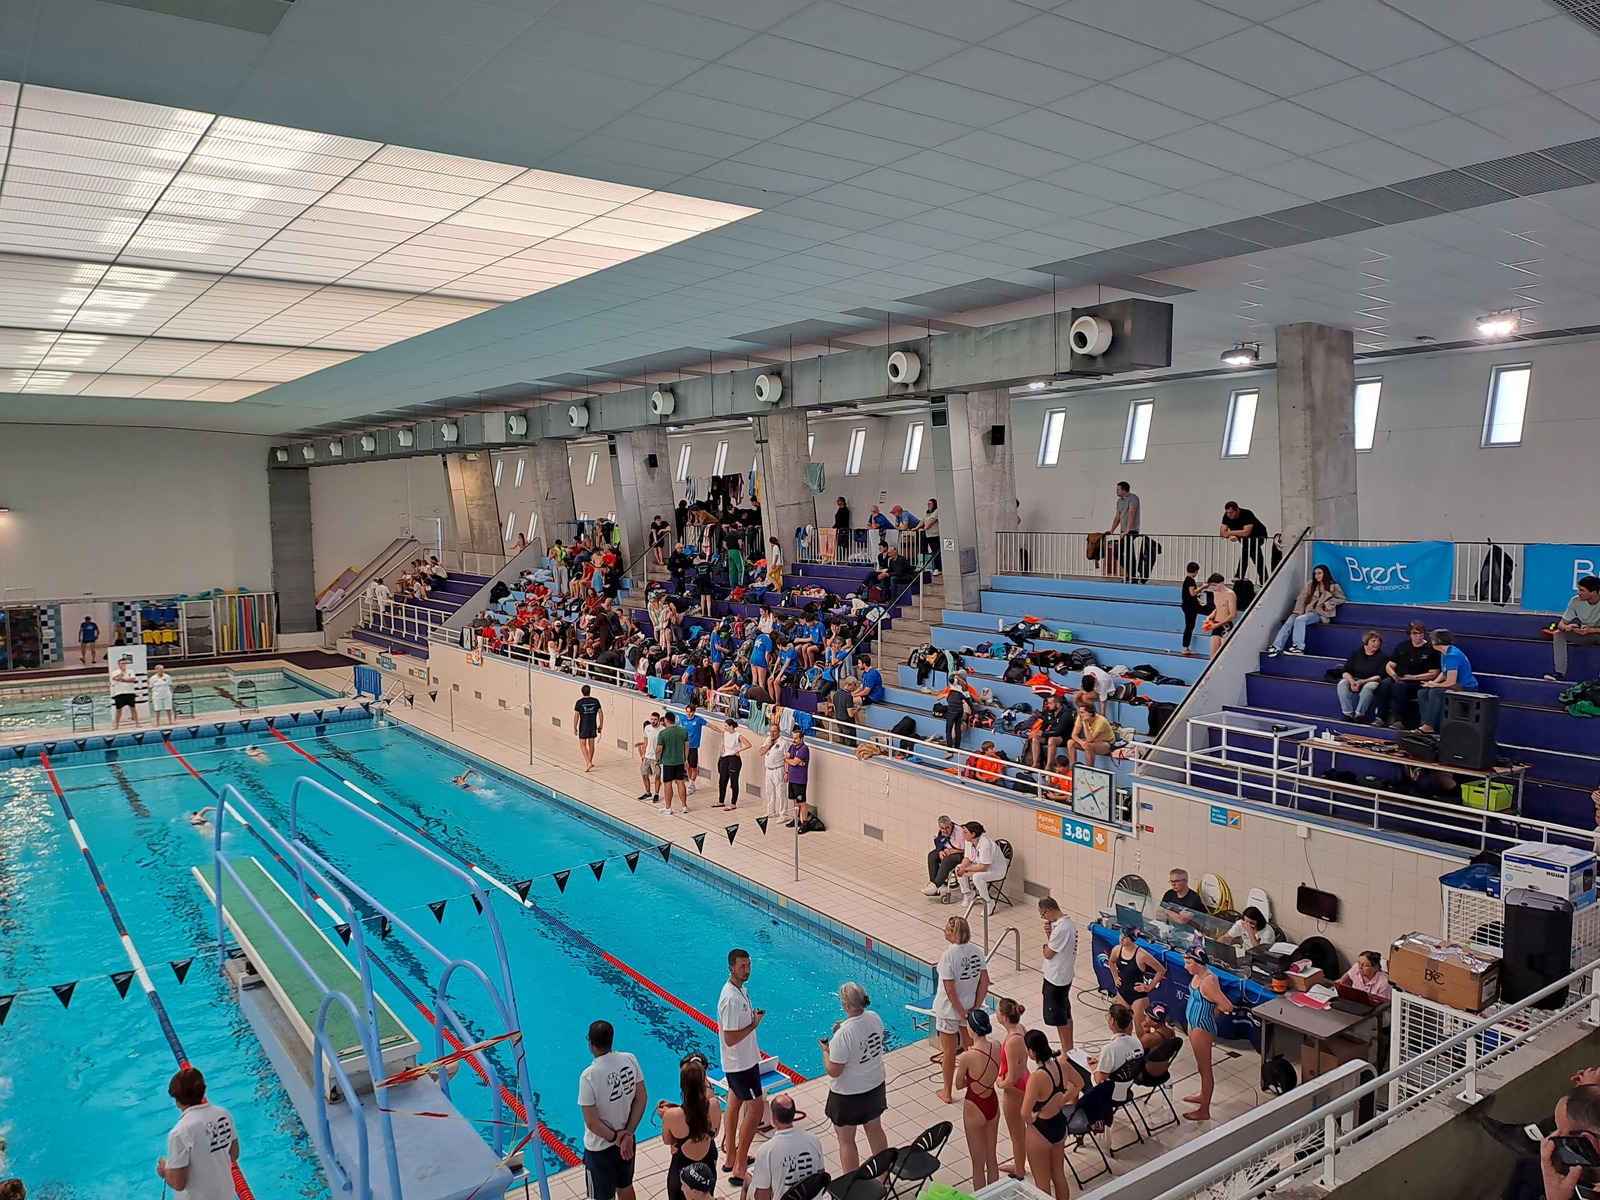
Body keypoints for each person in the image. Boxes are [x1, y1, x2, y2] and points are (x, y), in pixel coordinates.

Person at [822, 981, 889, 1172]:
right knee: (875, 1131)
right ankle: (883, 1178)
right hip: (875, 1085)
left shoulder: (843, 1034)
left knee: (846, 1141)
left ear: (846, 1005)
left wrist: (825, 1051)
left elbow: (834, 1070)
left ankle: (851, 1184)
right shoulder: (874, 1018)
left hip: (848, 1095)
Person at [579, 1020, 646, 1200]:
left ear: (591, 1044)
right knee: (625, 1187)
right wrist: (628, 1135)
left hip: (600, 1149)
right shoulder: (630, 1059)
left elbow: (592, 1122)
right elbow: (641, 1098)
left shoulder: (589, 1076)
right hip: (628, 1143)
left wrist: (616, 1138)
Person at [718, 949, 765, 1186]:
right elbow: (730, 1038)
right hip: (741, 1065)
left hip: (740, 1061)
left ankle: (731, 1158)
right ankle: (739, 1168)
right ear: (731, 968)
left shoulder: (740, 990)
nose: (747, 970)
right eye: (742, 967)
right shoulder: (731, 999)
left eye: (748, 965)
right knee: (756, 1109)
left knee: (734, 1103)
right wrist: (754, 1024)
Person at [156, 1066, 238, 1200]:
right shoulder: (223, 1115)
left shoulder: (180, 1132)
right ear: (203, 1091)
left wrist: (165, 1170)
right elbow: (234, 1154)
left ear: (177, 1100)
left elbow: (179, 1183)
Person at [934, 915, 991, 1104]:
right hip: (970, 1007)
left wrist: (961, 1012)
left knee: (949, 1052)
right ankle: (976, 1085)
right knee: (971, 1049)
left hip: (950, 1011)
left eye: (946, 929)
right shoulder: (976, 951)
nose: (944, 931)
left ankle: (947, 1092)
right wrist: (975, 1008)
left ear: (954, 933)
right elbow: (984, 982)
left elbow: (950, 990)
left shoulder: (948, 956)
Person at [1021, 1029, 1077, 1200]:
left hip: (1040, 1130)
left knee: (1042, 1183)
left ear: (1032, 1052)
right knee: (1059, 1175)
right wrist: (1062, 1100)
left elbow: (1024, 1113)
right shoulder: (1063, 1065)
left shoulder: (1037, 1078)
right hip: (1059, 1125)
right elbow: (1080, 1083)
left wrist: (1032, 1119)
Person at [1182, 948, 1234, 1122]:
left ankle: (1204, 1110)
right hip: (1194, 1025)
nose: (1185, 966)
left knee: (1205, 1070)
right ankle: (1202, 1096)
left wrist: (1216, 1010)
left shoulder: (1208, 981)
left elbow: (1227, 1006)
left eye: (1189, 963)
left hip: (1202, 1029)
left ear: (1198, 963)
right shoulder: (1199, 975)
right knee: (1200, 1067)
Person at [954, 1009, 1003, 1190]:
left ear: (972, 1030)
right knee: (992, 1159)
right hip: (992, 1102)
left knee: (977, 1165)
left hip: (975, 1105)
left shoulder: (967, 1056)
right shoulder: (997, 1045)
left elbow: (959, 1084)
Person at [660, 1056, 719, 1200]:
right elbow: (714, 1133)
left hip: (682, 1171)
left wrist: (668, 1114)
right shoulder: (714, 1105)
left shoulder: (671, 1115)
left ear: (682, 1085)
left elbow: (668, 1140)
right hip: (707, 1166)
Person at [747, 1095, 824, 1200]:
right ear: (793, 1115)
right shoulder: (814, 1140)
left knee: (747, 1178)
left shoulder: (767, 1151)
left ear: (773, 1117)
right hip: (811, 1197)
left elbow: (762, 1197)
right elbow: (821, 1176)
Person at [1373, 620, 1441, 730]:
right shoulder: (1402, 646)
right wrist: (1394, 675)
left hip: (1418, 680)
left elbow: (1434, 673)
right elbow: (1390, 665)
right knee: (1384, 684)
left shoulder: (1430, 650)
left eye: (1420, 633)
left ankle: (1399, 720)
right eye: (1415, 634)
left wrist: (1414, 677)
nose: (1418, 636)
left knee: (1399, 687)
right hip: (1399, 677)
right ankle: (1380, 717)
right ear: (1409, 634)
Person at [1268, 564, 1345, 657]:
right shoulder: (1311, 584)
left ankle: (1299, 647)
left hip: (1320, 613)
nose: (1317, 576)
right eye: (1315, 573)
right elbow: (1301, 598)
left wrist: (1328, 604)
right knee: (1289, 622)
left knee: (1300, 620)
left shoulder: (1334, 586)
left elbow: (1341, 598)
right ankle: (1276, 646)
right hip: (1306, 610)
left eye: (1319, 573)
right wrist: (1299, 611)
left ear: (1325, 574)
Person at [995, 998, 1031, 1181]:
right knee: (1020, 1131)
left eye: (997, 1011)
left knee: (1016, 1133)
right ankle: (1019, 1163)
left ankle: (1020, 1170)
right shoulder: (1021, 1029)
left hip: (1015, 1088)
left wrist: (1000, 1083)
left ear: (1004, 1017)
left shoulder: (1011, 1042)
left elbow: (1012, 1077)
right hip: (1026, 1079)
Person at [1417, 629, 1479, 733]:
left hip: (1465, 687)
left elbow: (1451, 682)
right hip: (1455, 685)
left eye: (1432, 639)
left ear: (1438, 641)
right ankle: (1426, 724)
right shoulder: (1444, 653)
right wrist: (1432, 683)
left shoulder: (1452, 656)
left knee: (1435, 692)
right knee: (1422, 692)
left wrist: (1435, 685)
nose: (1431, 642)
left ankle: (1428, 725)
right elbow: (1444, 672)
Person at [1109, 926, 1165, 1035]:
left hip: (1138, 996)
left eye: (1125, 937)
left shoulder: (1142, 955)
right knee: (1121, 1029)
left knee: (1141, 1030)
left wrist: (1150, 987)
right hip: (1122, 993)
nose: (1121, 939)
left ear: (1132, 939)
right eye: (1121, 935)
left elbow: (1161, 970)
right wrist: (1115, 976)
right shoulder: (1117, 950)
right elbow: (1111, 962)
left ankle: (1144, 1045)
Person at [1038, 897, 1077, 1052]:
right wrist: (1049, 935)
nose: (1044, 919)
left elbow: (1049, 953)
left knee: (1060, 1017)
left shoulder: (1061, 929)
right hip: (1064, 974)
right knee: (1065, 1012)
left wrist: (1044, 947)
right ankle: (1069, 1047)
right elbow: (1057, 947)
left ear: (1049, 911)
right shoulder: (1068, 924)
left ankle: (1067, 1050)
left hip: (1056, 978)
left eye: (1043, 915)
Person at [1549, 575, 1600, 683]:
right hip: (1586, 635)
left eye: (1582, 590)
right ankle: (1560, 673)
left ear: (1593, 592)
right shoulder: (1575, 601)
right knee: (1558, 634)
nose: (1578, 593)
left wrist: (1591, 630)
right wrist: (1567, 627)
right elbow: (1561, 624)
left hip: (1596, 633)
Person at [1090, 1004, 1145, 1102]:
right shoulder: (1137, 1042)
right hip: (1127, 1088)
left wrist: (1094, 1068)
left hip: (1109, 1093)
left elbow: (1099, 1080)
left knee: (1076, 1073)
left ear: (1113, 1021)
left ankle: (1075, 1107)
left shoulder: (1109, 1049)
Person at [953, 821, 1005, 916]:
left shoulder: (985, 845)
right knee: (958, 868)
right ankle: (968, 894)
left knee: (977, 877)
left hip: (995, 870)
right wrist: (962, 868)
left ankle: (988, 902)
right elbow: (968, 858)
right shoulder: (969, 841)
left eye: (965, 832)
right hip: (979, 865)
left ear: (973, 834)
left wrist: (966, 869)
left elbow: (984, 867)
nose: (963, 834)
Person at [1337, 630, 1389, 723]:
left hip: (1372, 680)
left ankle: (1359, 714)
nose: (1376, 643)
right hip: (1355, 679)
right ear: (1366, 641)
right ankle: (1348, 713)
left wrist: (1362, 682)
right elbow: (1345, 671)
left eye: (1378, 641)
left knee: (1369, 687)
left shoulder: (1383, 656)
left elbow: (1380, 676)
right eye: (1373, 641)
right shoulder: (1356, 653)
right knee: (1342, 683)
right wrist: (1352, 682)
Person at [1219, 501, 1270, 583]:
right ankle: (1265, 579)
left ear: (1237, 510)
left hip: (1259, 536)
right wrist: (1231, 535)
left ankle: (1239, 575)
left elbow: (1246, 532)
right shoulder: (1226, 516)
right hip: (1245, 539)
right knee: (1256, 556)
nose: (1229, 515)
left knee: (1247, 549)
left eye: (1231, 513)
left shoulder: (1246, 514)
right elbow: (1222, 532)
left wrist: (1230, 533)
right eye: (1227, 513)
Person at [714, 718, 753, 810]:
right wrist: (722, 753)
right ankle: (721, 801)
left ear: (731, 726)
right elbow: (725, 745)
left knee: (733, 782)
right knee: (722, 781)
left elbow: (749, 745)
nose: (724, 727)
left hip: (734, 759)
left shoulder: (738, 735)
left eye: (726, 726)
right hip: (725, 758)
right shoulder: (726, 734)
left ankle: (733, 803)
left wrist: (738, 751)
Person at [923, 815, 967, 897]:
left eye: (947, 828)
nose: (944, 830)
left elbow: (969, 850)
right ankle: (933, 884)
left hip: (962, 854)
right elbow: (938, 842)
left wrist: (955, 851)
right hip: (947, 850)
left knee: (947, 860)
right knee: (932, 856)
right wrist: (940, 851)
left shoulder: (960, 833)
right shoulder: (940, 831)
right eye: (942, 828)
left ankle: (937, 885)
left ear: (951, 825)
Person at [1104, 481, 1140, 580]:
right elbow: (1117, 516)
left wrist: (1128, 530)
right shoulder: (1119, 501)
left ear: (1124, 490)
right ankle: (1132, 574)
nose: (1116, 491)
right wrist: (1112, 530)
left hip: (1131, 530)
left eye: (1118, 489)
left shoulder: (1133, 498)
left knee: (1119, 552)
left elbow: (1132, 513)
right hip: (1124, 531)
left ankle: (1132, 574)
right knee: (1128, 552)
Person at [657, 713, 690, 815]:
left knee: (668, 783)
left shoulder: (663, 733)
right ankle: (684, 806)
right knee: (680, 782)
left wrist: (657, 759)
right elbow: (687, 746)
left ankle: (668, 807)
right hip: (680, 761)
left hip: (667, 762)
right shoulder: (683, 731)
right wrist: (685, 759)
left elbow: (659, 749)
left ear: (666, 721)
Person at [1066, 700, 1113, 769]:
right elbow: (1074, 735)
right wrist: (1081, 742)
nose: (1080, 714)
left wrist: (1085, 723)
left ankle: (1089, 769)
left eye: (1082, 712)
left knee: (1088, 746)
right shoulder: (1080, 717)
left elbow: (1089, 739)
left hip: (1107, 743)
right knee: (1070, 742)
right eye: (1080, 712)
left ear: (1090, 713)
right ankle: (1074, 767)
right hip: (1093, 741)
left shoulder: (1101, 721)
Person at [1201, 574, 1237, 658]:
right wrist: (1209, 617)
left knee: (1223, 655)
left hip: (1225, 626)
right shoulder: (1215, 593)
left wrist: (1217, 624)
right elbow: (1218, 607)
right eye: (1211, 585)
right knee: (1213, 656)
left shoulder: (1230, 594)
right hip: (1216, 623)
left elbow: (1233, 614)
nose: (1212, 588)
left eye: (1214, 585)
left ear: (1221, 583)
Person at [1179, 562, 1208, 657]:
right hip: (1190, 607)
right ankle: (1185, 647)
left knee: (1189, 626)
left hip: (1188, 606)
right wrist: (1203, 587)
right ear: (1196, 571)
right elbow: (1193, 593)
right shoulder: (1190, 581)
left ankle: (1185, 647)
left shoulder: (1187, 580)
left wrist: (1197, 600)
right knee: (1189, 626)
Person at [784, 729, 812, 829]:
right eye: (793, 738)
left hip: (800, 780)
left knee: (802, 802)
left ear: (801, 738)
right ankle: (796, 819)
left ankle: (805, 823)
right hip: (792, 778)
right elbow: (788, 759)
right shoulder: (792, 747)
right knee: (795, 801)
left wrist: (789, 760)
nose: (794, 740)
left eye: (796, 738)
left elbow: (793, 762)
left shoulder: (804, 749)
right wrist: (787, 772)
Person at [573, 686, 603, 771]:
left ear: (582, 691)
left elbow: (576, 715)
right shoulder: (595, 701)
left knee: (582, 745)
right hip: (592, 725)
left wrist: (575, 727)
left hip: (583, 726)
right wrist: (601, 725)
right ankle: (590, 761)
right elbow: (601, 713)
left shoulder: (579, 702)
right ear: (590, 691)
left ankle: (588, 762)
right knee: (591, 745)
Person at [635, 716, 662, 805]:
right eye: (652, 719)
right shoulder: (647, 728)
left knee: (657, 776)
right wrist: (643, 753)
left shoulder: (662, 730)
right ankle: (648, 792)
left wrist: (660, 758)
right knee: (644, 774)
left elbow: (663, 745)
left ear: (658, 720)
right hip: (647, 756)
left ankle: (656, 794)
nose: (653, 721)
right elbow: (646, 741)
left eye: (655, 719)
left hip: (655, 757)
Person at [761, 728, 787, 819]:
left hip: (778, 770)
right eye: (771, 731)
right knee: (769, 792)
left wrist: (787, 773)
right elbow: (761, 752)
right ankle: (771, 811)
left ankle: (783, 814)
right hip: (768, 770)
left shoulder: (784, 743)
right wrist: (769, 745)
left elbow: (787, 758)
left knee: (781, 793)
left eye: (774, 731)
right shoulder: (768, 739)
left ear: (779, 732)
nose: (772, 733)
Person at [681, 702, 707, 794]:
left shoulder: (698, 720)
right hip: (685, 746)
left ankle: (690, 785)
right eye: (687, 712)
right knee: (687, 766)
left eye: (690, 712)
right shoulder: (683, 719)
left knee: (694, 768)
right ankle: (691, 784)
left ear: (694, 712)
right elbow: (682, 730)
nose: (688, 714)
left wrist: (721, 732)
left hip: (693, 747)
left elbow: (710, 725)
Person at [110, 657, 140, 730]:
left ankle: (137, 723)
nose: (124, 664)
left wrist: (122, 680)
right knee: (118, 710)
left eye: (125, 663)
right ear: (119, 664)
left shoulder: (130, 671)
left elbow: (132, 679)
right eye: (122, 663)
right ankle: (117, 725)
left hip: (130, 692)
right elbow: (116, 678)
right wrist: (123, 673)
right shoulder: (115, 672)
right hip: (119, 693)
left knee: (133, 708)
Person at [922, 498, 941, 575]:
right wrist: (916, 528)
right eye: (928, 504)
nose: (928, 505)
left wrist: (925, 528)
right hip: (928, 535)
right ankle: (933, 567)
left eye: (930, 504)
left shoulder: (936, 511)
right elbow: (923, 521)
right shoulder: (928, 513)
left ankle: (938, 568)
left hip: (935, 535)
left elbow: (932, 521)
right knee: (932, 551)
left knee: (937, 552)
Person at [831, 497, 853, 563]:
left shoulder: (845, 510)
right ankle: (839, 557)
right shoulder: (839, 509)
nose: (837, 502)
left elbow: (841, 521)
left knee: (843, 544)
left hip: (843, 528)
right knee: (839, 544)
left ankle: (844, 558)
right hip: (839, 528)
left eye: (839, 500)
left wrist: (836, 527)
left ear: (842, 501)